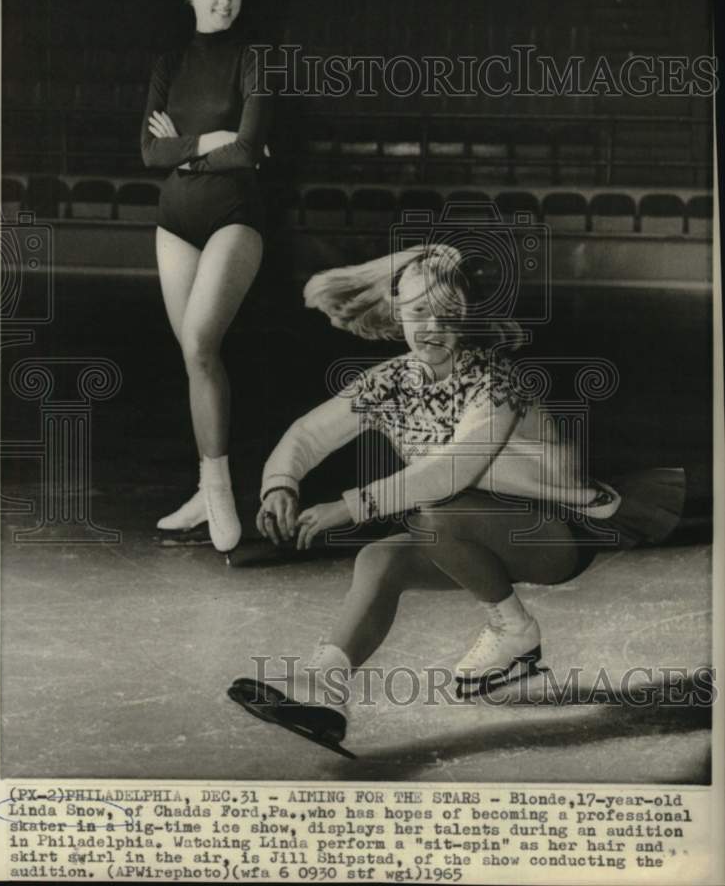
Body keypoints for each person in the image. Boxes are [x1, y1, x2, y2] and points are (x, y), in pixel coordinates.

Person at [229, 244, 685, 753]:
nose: (432, 326)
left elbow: (447, 473)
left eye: (447, 314)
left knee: (434, 513)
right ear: (397, 309)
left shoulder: (494, 382)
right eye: (419, 311)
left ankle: (514, 630)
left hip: (560, 531)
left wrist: (348, 506)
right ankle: (321, 687)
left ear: (465, 320)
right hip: (482, 528)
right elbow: (306, 436)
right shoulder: (390, 382)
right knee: (380, 559)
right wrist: (280, 485)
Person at [141, 0, 272, 552]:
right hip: (174, 224)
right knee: (197, 358)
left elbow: (248, 152)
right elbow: (146, 152)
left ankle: (219, 497)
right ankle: (204, 490)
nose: (224, 2)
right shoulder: (168, 63)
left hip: (233, 217)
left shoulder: (257, 59)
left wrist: (183, 150)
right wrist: (203, 144)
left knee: (199, 340)